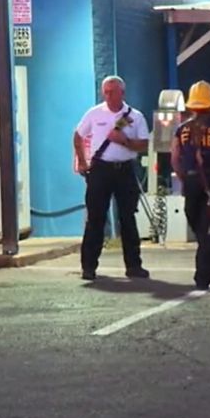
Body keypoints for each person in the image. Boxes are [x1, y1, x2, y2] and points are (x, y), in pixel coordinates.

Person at [73, 75, 151, 281]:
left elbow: (144, 145)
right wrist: (82, 161)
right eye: (105, 92)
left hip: (124, 170)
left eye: (112, 92)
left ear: (122, 93)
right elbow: (78, 135)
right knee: (95, 219)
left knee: (127, 218)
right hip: (100, 170)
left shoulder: (135, 116)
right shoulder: (94, 113)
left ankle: (133, 265)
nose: (108, 95)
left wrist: (124, 141)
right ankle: (88, 266)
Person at [171, 81, 210, 290]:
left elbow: (174, 158)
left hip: (191, 183)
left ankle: (208, 272)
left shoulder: (181, 129)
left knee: (200, 230)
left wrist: (184, 178)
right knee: (209, 229)